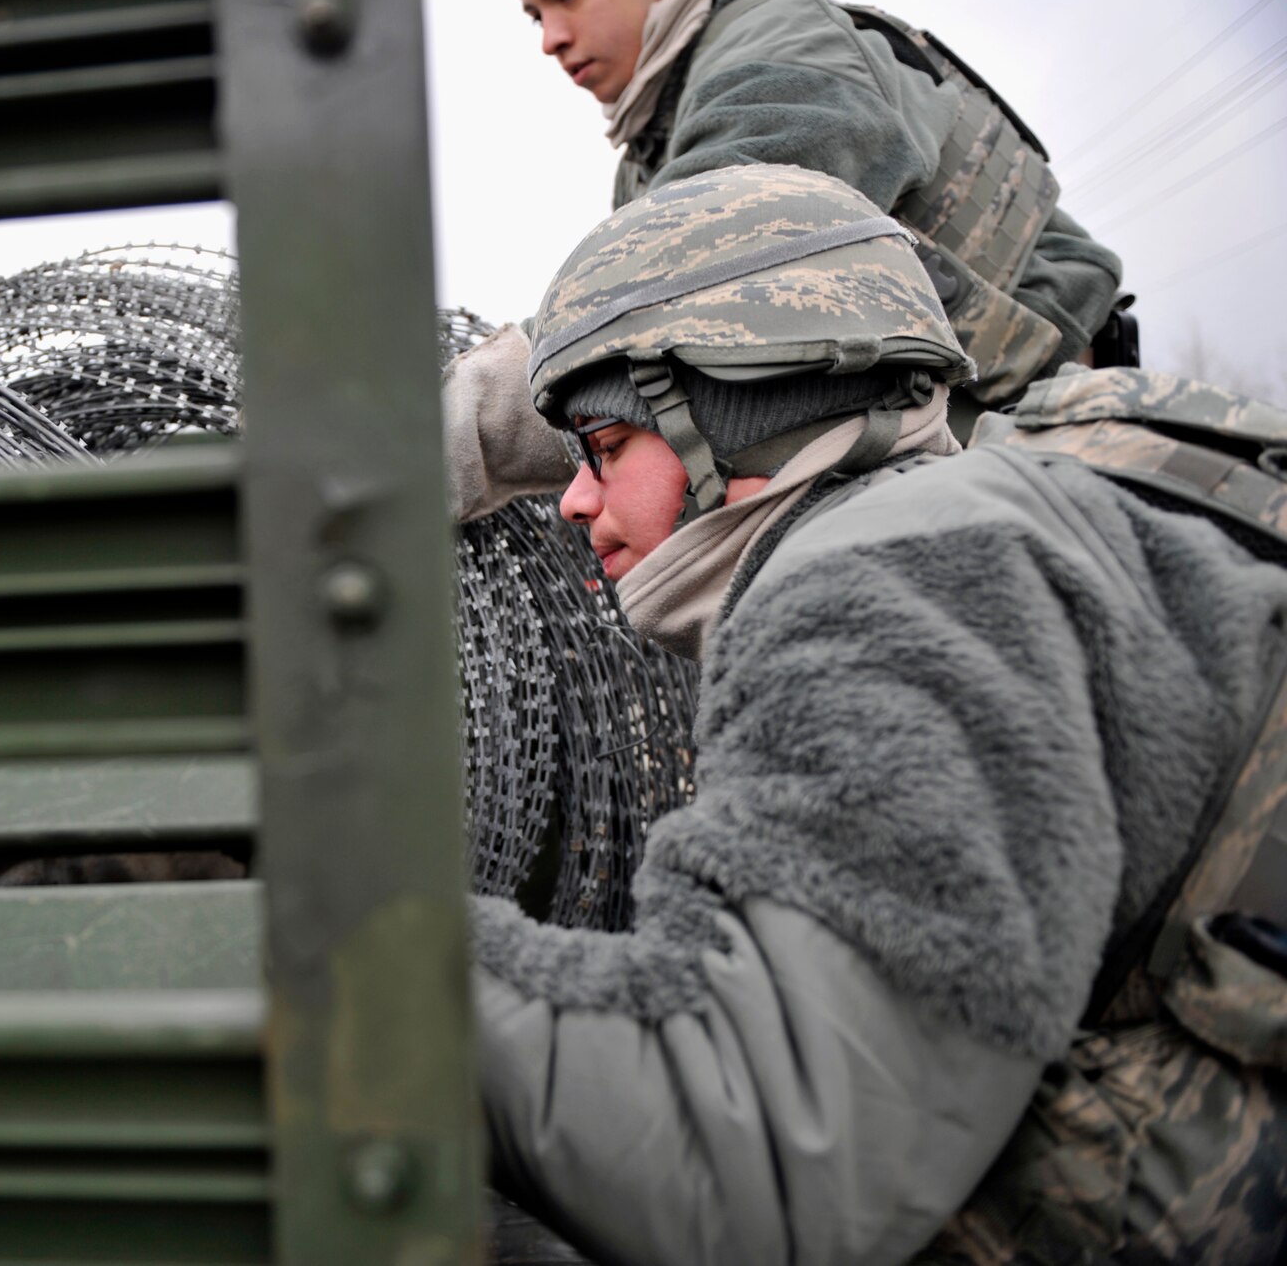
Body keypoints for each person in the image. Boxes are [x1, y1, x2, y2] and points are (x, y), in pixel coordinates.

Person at [457, 162, 1287, 1264]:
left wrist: (353, 949)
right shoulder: (1008, 504)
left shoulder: (890, 574)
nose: (573, 501)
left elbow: (761, 1164)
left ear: (742, 408)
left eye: (606, 447)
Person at [502, 0, 1129, 439]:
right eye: (535, 16)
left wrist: (479, 409)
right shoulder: (643, 161)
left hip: (1063, 420)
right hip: (955, 433)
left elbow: (698, 253)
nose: (551, 40)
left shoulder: (780, 50)